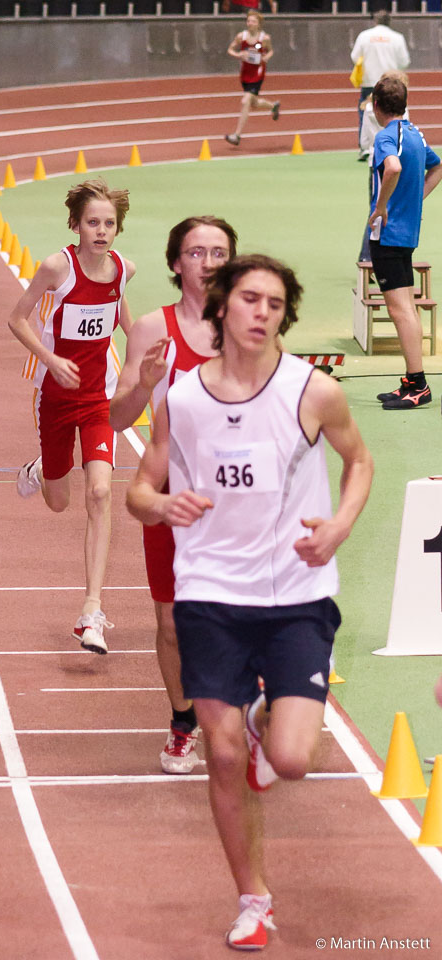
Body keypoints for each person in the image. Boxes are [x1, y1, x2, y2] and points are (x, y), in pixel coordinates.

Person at [126, 253, 373, 951]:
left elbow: (360, 461)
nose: (263, 312)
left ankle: (270, 717)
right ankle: (253, 898)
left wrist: (341, 524)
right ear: (222, 307)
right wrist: (164, 502)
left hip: (296, 594)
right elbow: (140, 491)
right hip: (210, 595)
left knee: (291, 759)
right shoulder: (184, 398)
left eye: (274, 303)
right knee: (224, 755)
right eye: (251, 299)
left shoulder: (312, 391)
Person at [110, 215, 238, 774]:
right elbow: (117, 419)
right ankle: (183, 724)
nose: (208, 263)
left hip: (237, 493)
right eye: (196, 253)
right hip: (168, 492)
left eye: (218, 252)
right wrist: (143, 381)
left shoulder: (249, 323)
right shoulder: (149, 329)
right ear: (174, 263)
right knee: (170, 623)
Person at [9, 178, 135, 655]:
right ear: (76, 225)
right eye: (92, 223)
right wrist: (50, 359)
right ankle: (41, 468)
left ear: (118, 229)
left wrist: (145, 355)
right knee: (59, 502)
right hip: (56, 398)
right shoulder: (56, 268)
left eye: (109, 224)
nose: (101, 231)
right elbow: (17, 319)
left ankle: (91, 612)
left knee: (101, 492)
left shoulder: (123, 270)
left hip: (98, 399)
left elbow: (123, 317)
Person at [368, 75, 442, 411]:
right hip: (406, 232)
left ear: (376, 105)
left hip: (389, 234)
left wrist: (382, 207)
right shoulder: (414, 133)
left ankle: (418, 384)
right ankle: (413, 381)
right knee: (405, 308)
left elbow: (393, 168)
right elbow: (437, 167)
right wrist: (417, 200)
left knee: (400, 310)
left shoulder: (386, 137)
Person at [357, 70, 409, 262]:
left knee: (376, 210)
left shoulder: (369, 108)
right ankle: (379, 258)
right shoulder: (401, 115)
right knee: (386, 210)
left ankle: (367, 258)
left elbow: (363, 142)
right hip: (394, 164)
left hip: (374, 163)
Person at [351, 10, 409, 159]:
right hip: (392, 82)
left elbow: (355, 56)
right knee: (396, 111)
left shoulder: (364, 36)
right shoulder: (397, 37)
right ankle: (397, 144)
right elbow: (404, 61)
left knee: (367, 111)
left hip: (370, 80)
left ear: (375, 21)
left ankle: (366, 146)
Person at [225, 11, 279, 148]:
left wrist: (267, 57)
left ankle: (236, 135)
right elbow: (230, 50)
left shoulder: (264, 38)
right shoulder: (241, 36)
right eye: (249, 21)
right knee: (253, 103)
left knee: (245, 101)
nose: (250, 24)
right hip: (245, 74)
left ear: (259, 23)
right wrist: (238, 55)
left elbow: (271, 50)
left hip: (257, 74)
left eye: (253, 21)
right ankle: (273, 106)